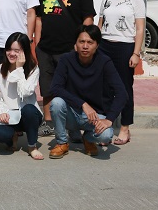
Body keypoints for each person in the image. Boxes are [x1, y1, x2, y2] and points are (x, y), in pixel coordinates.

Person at [34, 0, 96, 137]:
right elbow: (39, 19)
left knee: (70, 86)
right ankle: (49, 122)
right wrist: (37, 43)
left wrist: (81, 43)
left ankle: (72, 124)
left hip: (69, 49)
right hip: (45, 48)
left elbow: (88, 19)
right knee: (46, 86)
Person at [48, 25, 127, 159]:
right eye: (81, 42)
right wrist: (83, 104)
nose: (85, 46)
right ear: (76, 44)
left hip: (95, 117)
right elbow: (55, 88)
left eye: (90, 42)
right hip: (72, 113)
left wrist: (109, 119)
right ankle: (62, 143)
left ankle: (88, 139)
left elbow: (122, 93)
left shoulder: (105, 62)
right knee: (56, 103)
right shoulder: (66, 59)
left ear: (97, 45)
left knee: (106, 135)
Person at [98, 0, 145, 145]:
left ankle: (125, 127)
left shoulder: (135, 0)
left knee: (124, 88)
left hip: (125, 47)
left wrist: (136, 53)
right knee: (105, 88)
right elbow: (100, 25)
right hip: (104, 46)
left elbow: (139, 29)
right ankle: (105, 129)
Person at [0, 32, 44, 160]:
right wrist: (2, 112)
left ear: (25, 52)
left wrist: (19, 69)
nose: (11, 53)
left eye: (17, 51)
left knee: (29, 110)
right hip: (9, 115)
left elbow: (25, 92)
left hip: (28, 115)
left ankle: (32, 146)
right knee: (0, 135)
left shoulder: (33, 69)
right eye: (9, 49)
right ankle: (12, 139)